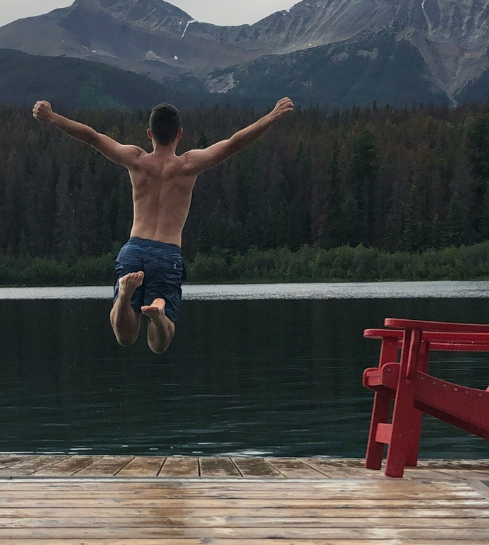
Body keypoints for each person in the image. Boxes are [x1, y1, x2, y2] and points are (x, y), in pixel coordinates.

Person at [32, 97, 294, 353]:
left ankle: (124, 296)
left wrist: (53, 117)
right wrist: (271, 116)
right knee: (159, 345)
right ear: (180, 133)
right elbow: (233, 144)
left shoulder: (136, 160)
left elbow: (93, 137)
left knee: (124, 338)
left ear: (149, 133)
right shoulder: (187, 165)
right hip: (167, 253)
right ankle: (158, 315)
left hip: (133, 249)